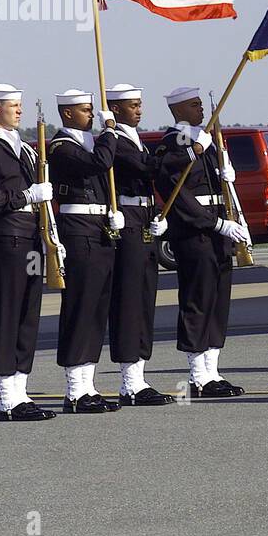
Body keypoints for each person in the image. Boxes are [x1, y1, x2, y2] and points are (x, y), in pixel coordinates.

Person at [0, 83, 57, 421]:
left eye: (19, 105)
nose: (19, 111)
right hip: (8, 238)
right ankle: (6, 398)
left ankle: (21, 391)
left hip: (31, 237)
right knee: (7, 314)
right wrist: (27, 196)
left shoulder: (27, 150)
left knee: (28, 315)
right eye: (12, 105)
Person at [154, 86, 248, 398]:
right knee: (198, 301)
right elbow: (176, 193)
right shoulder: (175, 142)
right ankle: (197, 375)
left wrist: (233, 214)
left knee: (218, 302)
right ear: (179, 110)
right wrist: (214, 223)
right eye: (194, 106)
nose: (202, 110)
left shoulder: (207, 141)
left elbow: (219, 189)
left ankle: (213, 371)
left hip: (220, 232)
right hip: (195, 233)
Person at [48, 89, 123, 412]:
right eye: (84, 110)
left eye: (91, 110)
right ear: (67, 114)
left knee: (96, 309)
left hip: (100, 228)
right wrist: (110, 131)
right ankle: (74, 390)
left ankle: (88, 385)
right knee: (80, 308)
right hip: (77, 230)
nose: (91, 115)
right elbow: (99, 162)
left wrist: (112, 210)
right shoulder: (62, 146)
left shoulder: (89, 141)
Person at [104, 83, 176, 405]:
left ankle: (140, 375)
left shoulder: (136, 140)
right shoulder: (116, 142)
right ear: (116, 109)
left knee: (146, 300)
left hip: (145, 220)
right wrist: (186, 152)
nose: (139, 109)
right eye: (132, 105)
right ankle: (129, 381)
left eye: (140, 104)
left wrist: (159, 214)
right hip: (128, 222)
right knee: (130, 301)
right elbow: (146, 169)